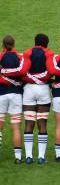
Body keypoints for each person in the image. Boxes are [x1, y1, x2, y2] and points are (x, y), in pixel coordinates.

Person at [20, 34, 53, 164]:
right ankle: (41, 157)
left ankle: (28, 156)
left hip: (28, 90)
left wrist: (33, 79)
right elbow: (51, 71)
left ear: (35, 43)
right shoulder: (49, 53)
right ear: (46, 43)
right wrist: (40, 79)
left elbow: (23, 71)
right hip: (43, 89)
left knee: (29, 123)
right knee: (42, 123)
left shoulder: (27, 52)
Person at [0, 35, 25, 163]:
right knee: (15, 127)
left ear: (3, 45)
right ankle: (18, 157)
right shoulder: (20, 58)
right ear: (14, 44)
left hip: (1, 94)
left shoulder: (0, 57)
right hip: (16, 95)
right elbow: (24, 73)